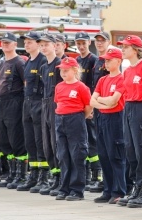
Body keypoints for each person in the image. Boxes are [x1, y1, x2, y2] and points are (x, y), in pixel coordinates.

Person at [116, 35, 142, 208]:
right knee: (130, 150)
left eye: (126, 47)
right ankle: (136, 187)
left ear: (135, 49)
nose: (123, 50)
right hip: (129, 108)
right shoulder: (127, 70)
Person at [91, 47, 126, 204]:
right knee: (103, 155)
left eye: (109, 60)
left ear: (118, 61)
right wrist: (106, 103)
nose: (106, 62)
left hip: (116, 119)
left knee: (115, 155)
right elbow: (92, 100)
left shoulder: (121, 79)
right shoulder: (102, 80)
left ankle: (119, 191)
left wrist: (103, 101)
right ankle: (108, 189)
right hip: (102, 118)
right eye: (105, 60)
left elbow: (115, 101)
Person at [54, 57, 92, 201]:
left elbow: (88, 106)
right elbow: (58, 102)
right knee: (63, 154)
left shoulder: (81, 87)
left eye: (66, 70)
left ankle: (77, 189)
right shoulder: (59, 86)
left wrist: (81, 117)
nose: (63, 73)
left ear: (75, 71)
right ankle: (64, 187)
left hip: (75, 118)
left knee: (77, 154)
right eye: (61, 71)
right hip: (60, 118)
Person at [17, 31, 48, 192]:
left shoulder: (42, 61)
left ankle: (44, 176)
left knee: (39, 139)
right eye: (26, 42)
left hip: (39, 103)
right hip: (27, 103)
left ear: (38, 43)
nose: (27, 44)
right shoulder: (28, 61)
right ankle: (33, 174)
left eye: (30, 42)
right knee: (29, 140)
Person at [0, 32, 26, 189]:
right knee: (4, 140)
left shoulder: (19, 62)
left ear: (15, 44)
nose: (5, 45)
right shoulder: (2, 62)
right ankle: (11, 173)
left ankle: (20, 175)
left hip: (14, 103)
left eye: (8, 42)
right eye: (3, 42)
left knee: (16, 139)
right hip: (1, 104)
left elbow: (25, 84)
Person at [37, 33, 62, 195]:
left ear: (55, 45)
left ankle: (61, 178)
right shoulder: (43, 67)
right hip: (45, 104)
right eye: (42, 45)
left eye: (47, 44)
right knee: (47, 144)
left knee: (56, 142)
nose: (44, 47)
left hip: (57, 105)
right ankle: (54, 176)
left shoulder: (60, 64)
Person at [75, 31, 100, 192]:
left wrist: (91, 107)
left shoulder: (93, 60)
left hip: (89, 106)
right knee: (83, 140)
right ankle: (86, 172)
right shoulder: (77, 60)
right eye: (78, 43)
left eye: (83, 43)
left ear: (89, 43)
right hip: (79, 106)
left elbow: (94, 85)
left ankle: (96, 174)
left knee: (92, 140)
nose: (81, 46)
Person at [90, 31, 112, 193]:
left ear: (108, 42)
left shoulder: (110, 61)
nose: (99, 43)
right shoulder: (98, 61)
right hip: (97, 106)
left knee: (109, 146)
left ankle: (108, 181)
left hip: (108, 107)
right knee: (101, 145)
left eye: (102, 41)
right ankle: (104, 180)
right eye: (97, 41)